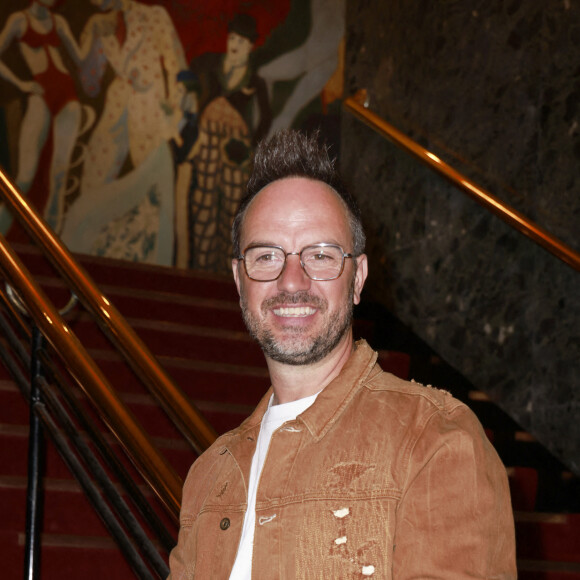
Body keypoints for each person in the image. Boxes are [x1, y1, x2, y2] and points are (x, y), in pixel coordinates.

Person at [168, 130, 517, 579]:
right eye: (267, 255)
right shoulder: (208, 476)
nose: (292, 281)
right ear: (240, 281)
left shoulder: (436, 439)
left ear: (357, 278)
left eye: (321, 254)